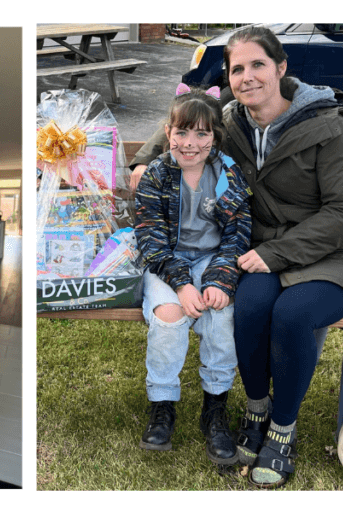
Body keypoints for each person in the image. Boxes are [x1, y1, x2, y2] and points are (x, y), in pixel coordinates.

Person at [130, 26, 343, 488]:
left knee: (293, 315)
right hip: (257, 251)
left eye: (258, 65)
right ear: (229, 78)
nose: (247, 76)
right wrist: (145, 159)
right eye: (237, 68)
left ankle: (282, 430)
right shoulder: (231, 121)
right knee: (250, 306)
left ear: (281, 67)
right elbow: (182, 124)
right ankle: (255, 409)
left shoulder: (329, 127)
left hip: (323, 252)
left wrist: (275, 252)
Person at [134, 85, 251, 465]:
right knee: (170, 316)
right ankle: (162, 404)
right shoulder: (156, 174)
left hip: (215, 260)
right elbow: (151, 240)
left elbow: (237, 233)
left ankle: (214, 407)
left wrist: (220, 280)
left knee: (222, 314)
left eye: (201, 133)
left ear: (215, 136)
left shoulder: (227, 173)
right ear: (168, 133)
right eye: (181, 133)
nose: (189, 143)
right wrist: (182, 286)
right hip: (167, 262)